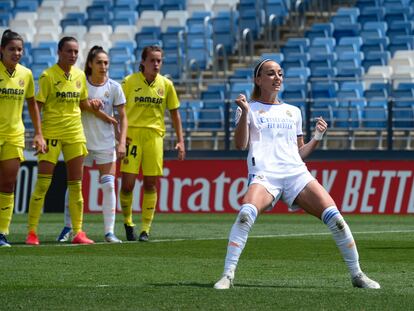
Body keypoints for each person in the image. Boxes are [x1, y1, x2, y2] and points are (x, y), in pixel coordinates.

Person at [213, 59, 380, 289]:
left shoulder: (294, 111)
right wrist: (243, 112)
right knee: (245, 214)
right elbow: (241, 144)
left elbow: (299, 153)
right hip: (265, 174)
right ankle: (228, 275)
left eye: (280, 73)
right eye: (271, 74)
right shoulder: (248, 108)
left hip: (295, 173)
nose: (277, 77)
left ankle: (357, 275)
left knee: (337, 219)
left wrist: (317, 138)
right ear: (258, 79)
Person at [25, 37, 100, 245]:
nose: (73, 55)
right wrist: (38, 134)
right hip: (51, 134)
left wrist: (91, 103)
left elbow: (82, 102)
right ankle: (32, 232)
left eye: (76, 52)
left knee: (76, 185)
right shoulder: (48, 76)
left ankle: (78, 232)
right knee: (43, 184)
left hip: (75, 133)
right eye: (69, 51)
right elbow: (37, 107)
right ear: (59, 52)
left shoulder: (79, 76)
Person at [56, 46, 127, 243]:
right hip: (80, 140)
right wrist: (91, 105)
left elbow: (123, 117)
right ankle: (68, 227)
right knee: (74, 186)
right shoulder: (80, 84)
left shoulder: (114, 87)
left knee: (109, 186)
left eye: (106, 63)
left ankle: (109, 232)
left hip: (105, 143)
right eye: (99, 62)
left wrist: (121, 143)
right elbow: (77, 103)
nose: (103, 66)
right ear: (90, 64)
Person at [120, 45, 185, 242]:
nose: (156, 64)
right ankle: (128, 222)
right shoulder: (129, 82)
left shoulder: (166, 85)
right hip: (132, 136)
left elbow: (175, 114)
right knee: (128, 184)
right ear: (143, 62)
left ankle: (145, 229)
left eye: (159, 61)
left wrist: (181, 141)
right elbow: (119, 111)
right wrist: (119, 136)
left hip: (154, 137)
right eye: (152, 60)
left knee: (150, 184)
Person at [0, 30, 46, 247]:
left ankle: (2, 233)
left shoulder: (26, 74)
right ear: (2, 50)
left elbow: (32, 104)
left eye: (20, 49)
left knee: (8, 184)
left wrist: (38, 133)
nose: (17, 53)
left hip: (14, 135)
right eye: (12, 49)